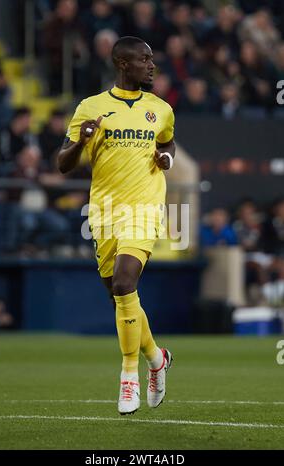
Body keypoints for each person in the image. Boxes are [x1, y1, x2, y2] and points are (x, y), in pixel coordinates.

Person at [57, 36, 175, 415]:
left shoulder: (161, 109)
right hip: (104, 211)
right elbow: (63, 163)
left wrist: (165, 159)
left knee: (126, 283)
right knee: (118, 297)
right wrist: (82, 141)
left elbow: (169, 144)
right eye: (144, 59)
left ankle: (129, 377)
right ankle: (156, 358)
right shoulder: (90, 108)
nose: (152, 65)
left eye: (152, 59)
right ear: (123, 64)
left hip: (144, 206)